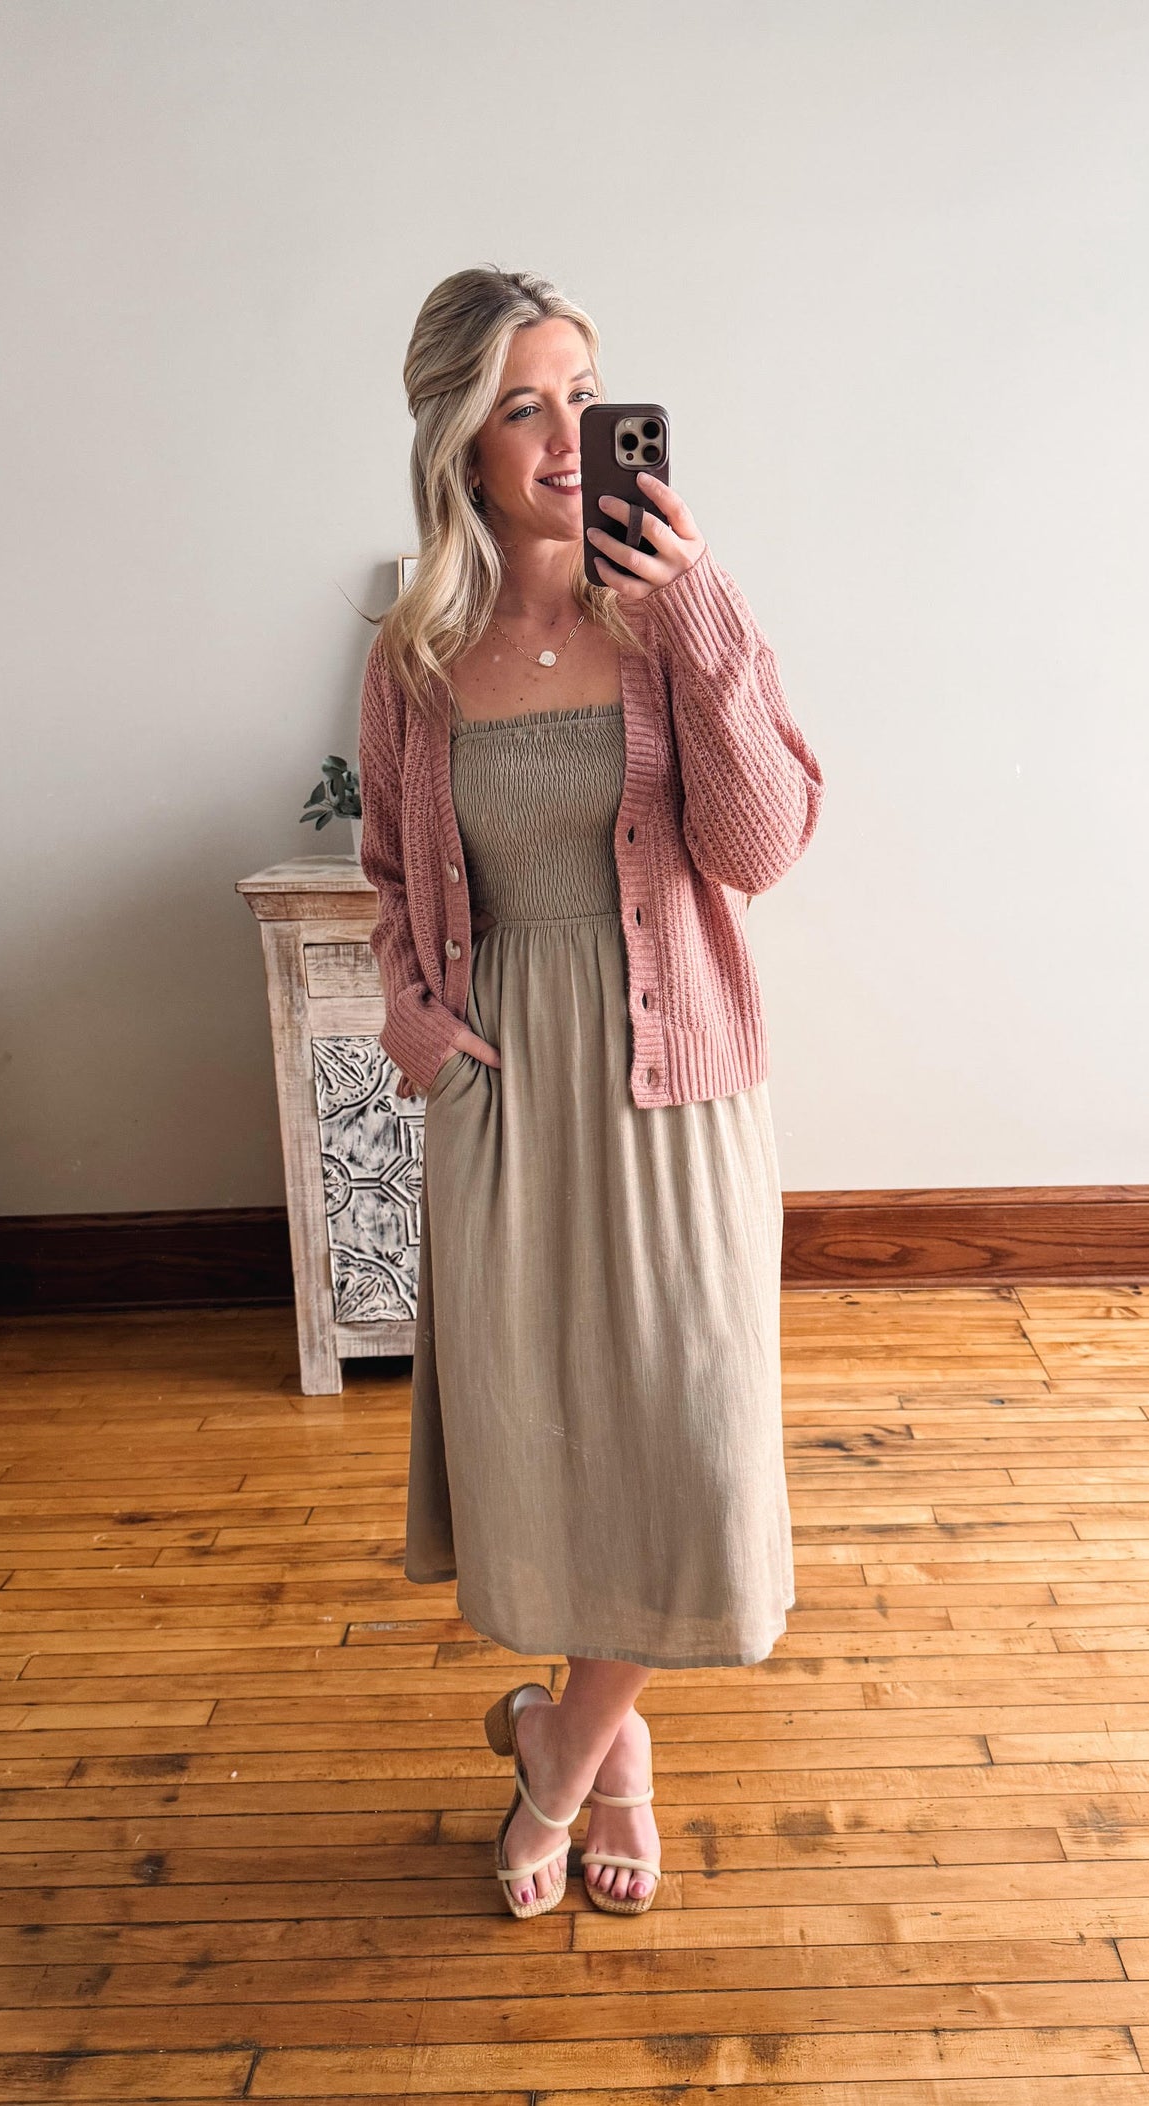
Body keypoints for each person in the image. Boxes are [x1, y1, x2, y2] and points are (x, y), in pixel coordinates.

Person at [358, 265, 824, 1919]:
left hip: (673, 1080)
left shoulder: (678, 610)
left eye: (582, 396)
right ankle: (614, 1748)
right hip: (506, 1094)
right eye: (521, 406)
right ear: (460, 443)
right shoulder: (418, 650)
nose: (565, 438)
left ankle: (556, 1752)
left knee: (683, 1438)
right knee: (551, 1431)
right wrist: (420, 1028)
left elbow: (757, 849)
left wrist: (696, 616)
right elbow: (390, 878)